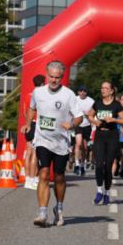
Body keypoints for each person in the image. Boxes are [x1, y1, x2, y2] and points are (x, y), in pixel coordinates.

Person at [21, 62, 83, 226]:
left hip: (61, 142)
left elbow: (79, 117)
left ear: (62, 77)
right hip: (42, 139)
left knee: (59, 177)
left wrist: (71, 124)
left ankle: (59, 207)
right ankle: (42, 213)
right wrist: (28, 123)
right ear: (47, 75)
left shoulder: (68, 95)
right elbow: (32, 108)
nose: (54, 80)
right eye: (51, 77)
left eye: (57, 77)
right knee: (43, 173)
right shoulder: (38, 92)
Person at [87, 81, 123, 205]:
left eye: (106, 88)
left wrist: (113, 119)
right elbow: (89, 115)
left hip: (112, 136)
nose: (103, 90)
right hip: (99, 135)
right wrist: (95, 121)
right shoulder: (97, 103)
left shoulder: (116, 105)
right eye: (102, 88)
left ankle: (107, 192)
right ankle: (99, 190)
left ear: (111, 91)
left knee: (108, 166)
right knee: (98, 165)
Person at [22, 75, 43, 189]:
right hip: (37, 125)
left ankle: (27, 179)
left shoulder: (27, 95)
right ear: (42, 83)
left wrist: (28, 123)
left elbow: (25, 112)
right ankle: (33, 179)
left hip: (29, 125)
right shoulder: (40, 95)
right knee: (35, 154)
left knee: (28, 153)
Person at [73, 85, 94, 176]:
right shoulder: (74, 99)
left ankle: (82, 165)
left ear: (86, 92)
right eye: (80, 91)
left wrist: (88, 114)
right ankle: (76, 164)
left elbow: (94, 113)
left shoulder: (91, 101)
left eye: (84, 91)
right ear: (78, 92)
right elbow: (70, 110)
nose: (82, 92)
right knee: (78, 143)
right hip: (78, 124)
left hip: (87, 125)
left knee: (85, 147)